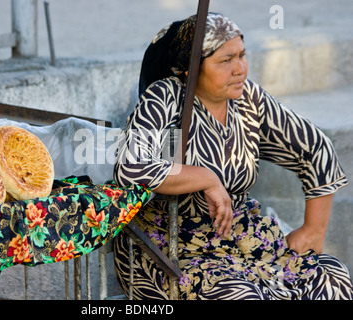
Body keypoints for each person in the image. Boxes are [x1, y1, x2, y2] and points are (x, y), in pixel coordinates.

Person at [112, 12, 353, 300]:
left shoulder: (249, 99)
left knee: (331, 277)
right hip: (173, 252)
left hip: (243, 242)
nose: (240, 69)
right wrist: (206, 178)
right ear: (191, 69)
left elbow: (315, 148)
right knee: (243, 296)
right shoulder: (165, 97)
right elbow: (131, 166)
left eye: (242, 55)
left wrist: (314, 229)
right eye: (225, 60)